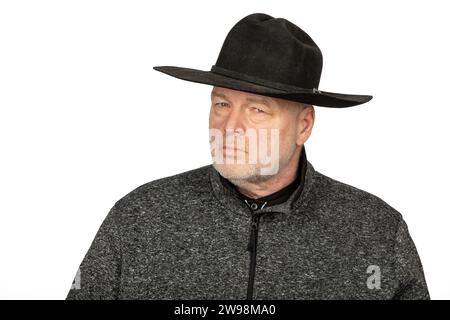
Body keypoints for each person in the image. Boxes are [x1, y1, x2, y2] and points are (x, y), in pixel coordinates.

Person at [66, 13, 429, 300]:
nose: (230, 126)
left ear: (304, 125)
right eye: (221, 103)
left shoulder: (376, 231)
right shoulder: (138, 219)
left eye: (257, 110)